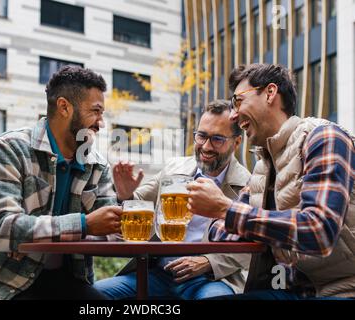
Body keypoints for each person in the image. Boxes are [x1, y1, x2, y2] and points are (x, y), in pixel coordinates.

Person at [187, 63, 355, 299]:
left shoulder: (324, 138)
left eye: (238, 101)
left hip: (342, 289)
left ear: (270, 93)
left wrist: (228, 210)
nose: (234, 115)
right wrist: (236, 216)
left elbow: (319, 231)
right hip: (295, 289)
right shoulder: (263, 166)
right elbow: (217, 231)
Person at [0, 66, 123, 300]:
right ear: (64, 107)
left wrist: (122, 200)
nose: (101, 123)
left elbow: (111, 231)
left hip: (67, 281)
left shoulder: (96, 164)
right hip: (2, 280)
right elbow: (0, 227)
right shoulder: (9, 148)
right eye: (95, 112)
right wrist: (84, 225)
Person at [94, 100, 252, 300]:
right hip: (158, 273)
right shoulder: (173, 168)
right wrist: (125, 194)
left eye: (217, 139)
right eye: (201, 136)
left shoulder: (248, 184)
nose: (206, 146)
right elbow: (139, 201)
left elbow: (252, 244)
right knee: (96, 294)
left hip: (210, 279)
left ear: (236, 142)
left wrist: (208, 262)